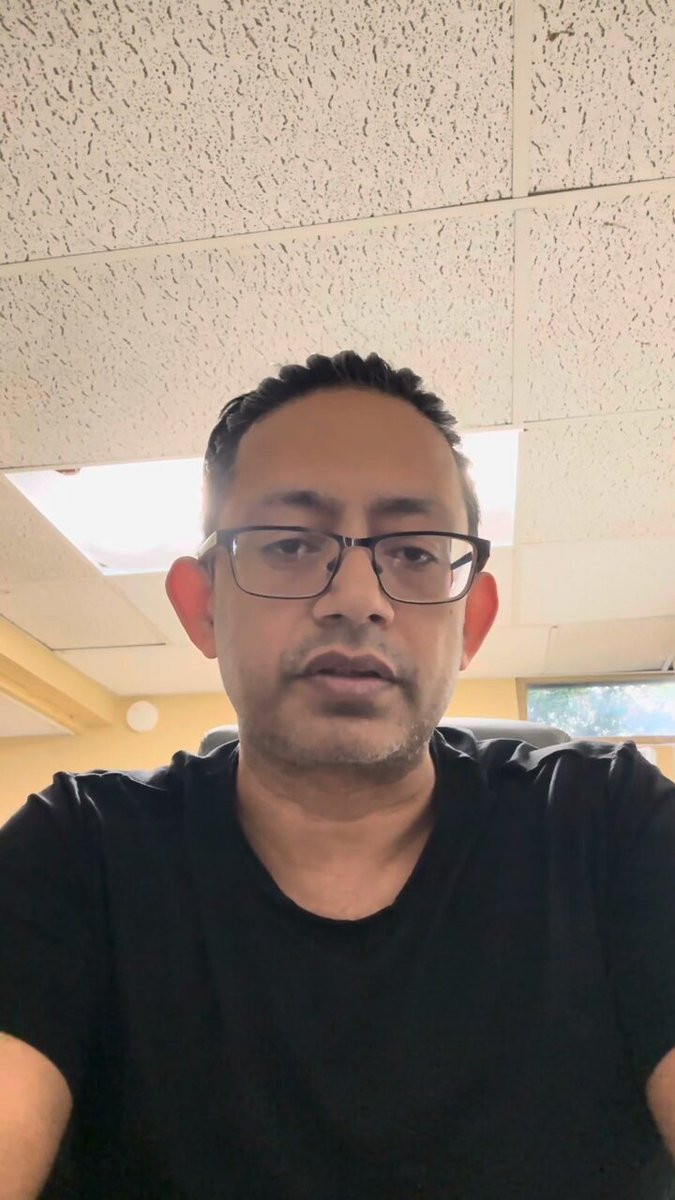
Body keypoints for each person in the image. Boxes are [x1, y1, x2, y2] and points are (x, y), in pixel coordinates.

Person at [0, 350, 673, 1199]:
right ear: (203, 607)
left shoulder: (612, 824)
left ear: (471, 623)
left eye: (415, 552)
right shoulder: (76, 851)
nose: (358, 597)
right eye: (288, 543)